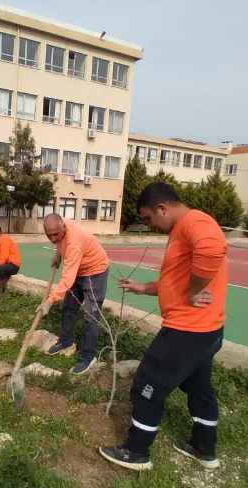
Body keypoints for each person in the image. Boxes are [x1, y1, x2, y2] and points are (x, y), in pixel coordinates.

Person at [99, 182, 227, 471]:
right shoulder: (181, 229)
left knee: (147, 384)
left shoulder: (194, 222)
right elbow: (175, 280)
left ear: (162, 208)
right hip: (207, 332)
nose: (149, 225)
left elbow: (212, 249)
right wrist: (143, 288)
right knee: (199, 387)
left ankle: (136, 451)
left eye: (147, 219)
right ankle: (203, 448)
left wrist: (195, 290)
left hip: (187, 331)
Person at [35, 213, 109, 375]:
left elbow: (67, 278)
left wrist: (49, 301)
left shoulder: (75, 241)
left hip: (94, 271)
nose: (53, 238)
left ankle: (87, 357)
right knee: (69, 308)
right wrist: (58, 254)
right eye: (49, 235)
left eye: (56, 234)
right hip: (78, 269)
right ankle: (65, 341)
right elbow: (61, 242)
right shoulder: (61, 226)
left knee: (91, 316)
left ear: (63, 227)